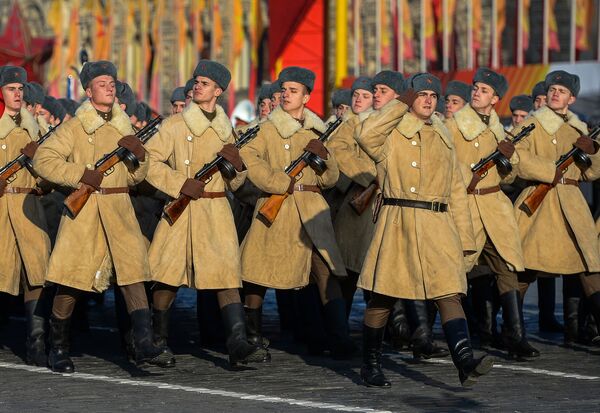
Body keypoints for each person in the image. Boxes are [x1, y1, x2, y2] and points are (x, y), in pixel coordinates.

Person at [356, 72, 494, 387]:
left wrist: (466, 240)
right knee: (383, 297)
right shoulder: (391, 134)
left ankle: (465, 361)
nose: (429, 100)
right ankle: (370, 364)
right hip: (398, 222)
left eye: (433, 96)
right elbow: (365, 135)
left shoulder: (444, 137)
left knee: (449, 293)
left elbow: (457, 191)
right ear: (410, 99)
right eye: (421, 95)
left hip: (438, 225)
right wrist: (398, 104)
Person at [33, 60, 170, 372]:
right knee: (71, 281)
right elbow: (44, 160)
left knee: (134, 274)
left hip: (119, 210)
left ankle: (144, 341)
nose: (110, 87)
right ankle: (58, 347)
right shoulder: (75, 127)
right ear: (88, 90)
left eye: (112, 83)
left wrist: (140, 157)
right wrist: (81, 174)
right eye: (102, 83)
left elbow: (134, 179)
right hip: (86, 211)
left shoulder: (124, 128)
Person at [144, 60, 269, 367]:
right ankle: (157, 342)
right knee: (167, 275)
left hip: (215, 209)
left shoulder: (227, 129)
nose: (196, 87)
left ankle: (238, 342)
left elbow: (236, 182)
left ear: (218, 91)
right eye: (196, 82)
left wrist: (237, 166)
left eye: (204, 83)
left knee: (226, 275)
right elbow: (151, 163)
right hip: (182, 208)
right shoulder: (174, 125)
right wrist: (180, 184)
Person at [239, 66, 354, 358]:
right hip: (278, 208)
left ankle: (340, 339)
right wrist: (276, 181)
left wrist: (325, 160)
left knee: (326, 273)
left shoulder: (318, 131)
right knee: (258, 273)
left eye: (293, 91)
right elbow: (249, 156)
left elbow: (330, 180)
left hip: (313, 210)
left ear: (306, 96)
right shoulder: (266, 128)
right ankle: (252, 333)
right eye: (284, 90)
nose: (286, 95)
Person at [446, 67, 539, 360]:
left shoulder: (500, 130)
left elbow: (508, 179)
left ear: (495, 98)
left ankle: (516, 336)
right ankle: (427, 333)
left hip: (494, 208)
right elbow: (445, 164)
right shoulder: (452, 126)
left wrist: (507, 160)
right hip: (466, 207)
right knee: (452, 271)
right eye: (475, 87)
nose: (476, 92)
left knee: (508, 269)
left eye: (484, 90)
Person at [513, 70, 600, 347]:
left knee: (589, 268)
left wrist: (594, 151)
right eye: (552, 89)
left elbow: (591, 174)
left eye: (561, 91)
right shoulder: (531, 124)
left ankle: (582, 328)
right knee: (523, 269)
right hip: (539, 204)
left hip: (572, 204)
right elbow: (516, 156)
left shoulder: (579, 128)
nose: (554, 94)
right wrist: (551, 171)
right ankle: (513, 334)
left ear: (571, 98)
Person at [0, 65, 51, 367]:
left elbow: (53, 168)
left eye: (20, 89)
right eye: (11, 89)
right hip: (3, 207)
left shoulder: (38, 127)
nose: (17, 94)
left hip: (29, 206)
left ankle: (37, 342)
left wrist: (43, 178)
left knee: (37, 273)